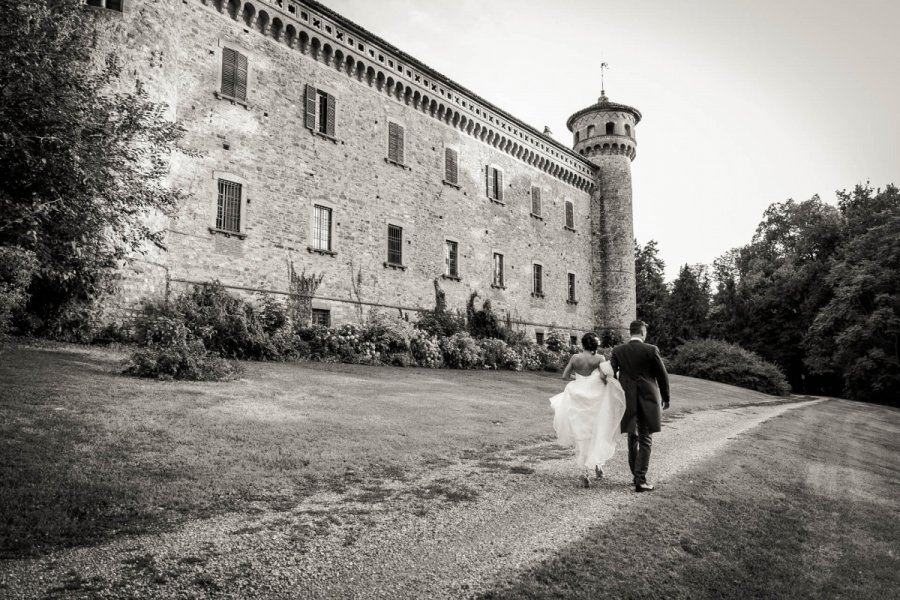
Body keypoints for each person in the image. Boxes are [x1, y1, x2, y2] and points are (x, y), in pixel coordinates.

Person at [549, 332, 626, 488]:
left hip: (578, 398)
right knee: (596, 432)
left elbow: (564, 376)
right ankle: (597, 467)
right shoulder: (599, 359)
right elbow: (604, 378)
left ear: (582, 344)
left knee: (581, 435)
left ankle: (586, 471)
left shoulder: (575, 358)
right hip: (595, 400)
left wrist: (580, 381)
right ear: (595, 346)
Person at [610, 320, 671, 493]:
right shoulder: (651, 350)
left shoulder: (618, 351)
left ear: (631, 333)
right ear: (643, 332)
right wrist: (666, 398)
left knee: (632, 437)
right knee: (645, 438)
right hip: (647, 398)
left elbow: (611, 374)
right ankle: (640, 480)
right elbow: (662, 376)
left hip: (626, 399)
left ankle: (636, 476)